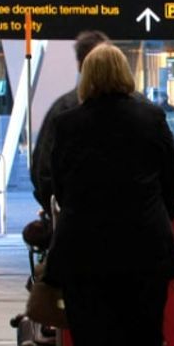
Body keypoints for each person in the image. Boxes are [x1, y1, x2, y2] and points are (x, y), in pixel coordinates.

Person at [44, 43, 174, 346]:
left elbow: (58, 184)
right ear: (126, 73)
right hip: (144, 250)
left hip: (85, 254)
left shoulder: (67, 123)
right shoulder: (151, 118)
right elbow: (171, 180)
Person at [32, 30, 109, 215]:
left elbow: (42, 170)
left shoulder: (63, 111)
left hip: (75, 220)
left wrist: (57, 211)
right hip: (133, 223)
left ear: (79, 65)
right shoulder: (145, 112)